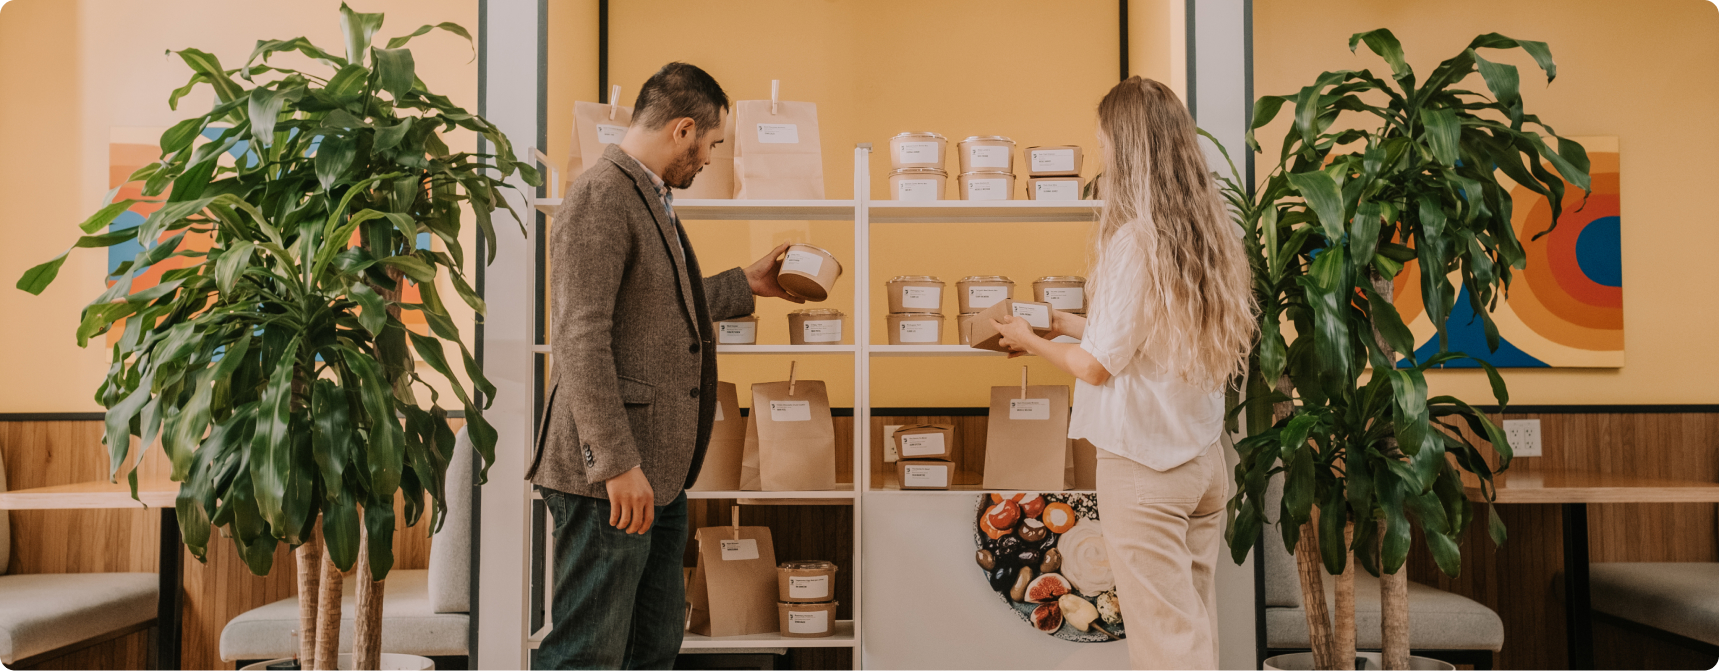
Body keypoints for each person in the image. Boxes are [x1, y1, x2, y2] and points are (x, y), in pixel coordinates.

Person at [528, 62, 803, 669]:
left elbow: (658, 307)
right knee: (586, 654)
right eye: (711, 143)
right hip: (614, 475)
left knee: (652, 649)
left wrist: (746, 284)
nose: (709, 158)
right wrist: (617, 462)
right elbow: (579, 336)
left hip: (659, 475)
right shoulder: (602, 193)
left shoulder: (647, 194)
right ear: (683, 129)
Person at [990, 76, 1256, 670]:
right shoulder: (1205, 235)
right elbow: (1142, 341)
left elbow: (1096, 367)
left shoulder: (1135, 242)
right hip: (1201, 465)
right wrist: (1061, 320)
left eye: (1105, 140)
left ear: (1128, 147)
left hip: (1145, 470)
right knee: (1191, 626)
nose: (1101, 152)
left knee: (1165, 639)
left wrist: (1032, 341)